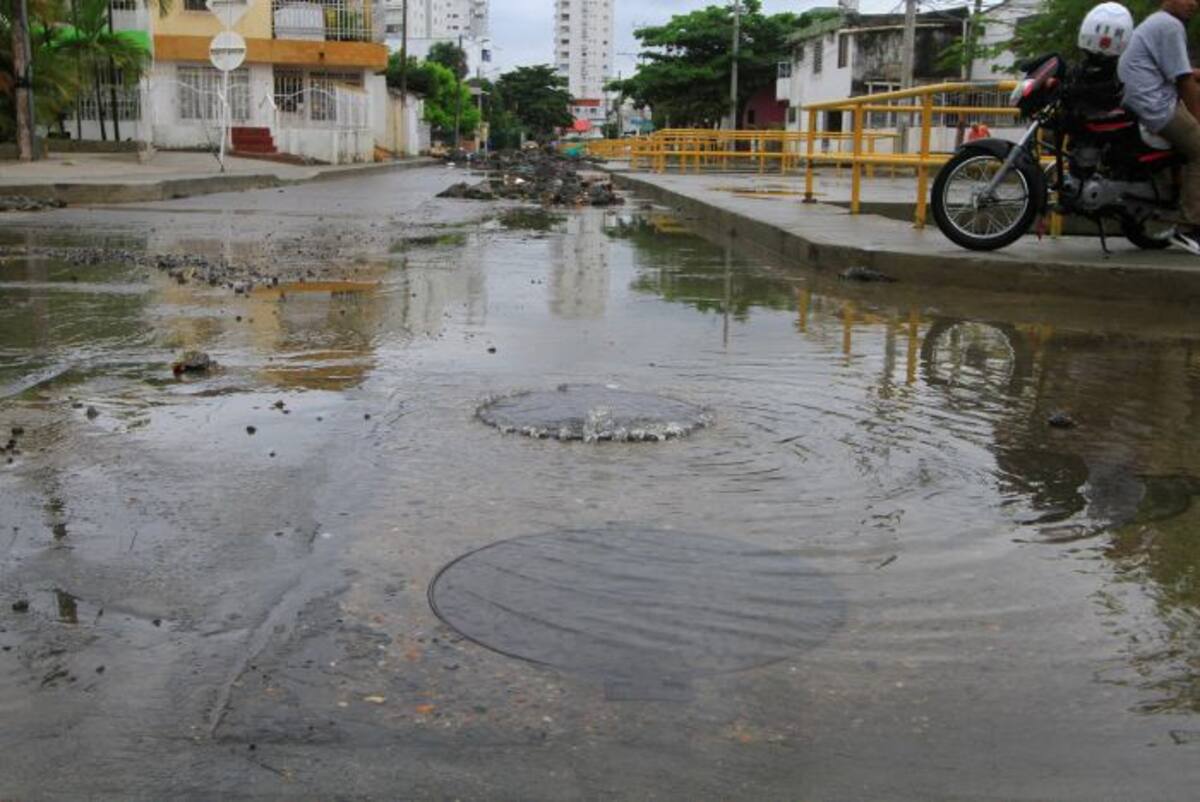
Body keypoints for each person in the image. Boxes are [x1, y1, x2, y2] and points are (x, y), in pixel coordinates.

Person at [1118, 0, 1200, 252]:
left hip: (1141, 101)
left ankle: (1173, 201)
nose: (1193, 4)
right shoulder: (1170, 25)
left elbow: (1181, 72)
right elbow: (1184, 82)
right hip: (1155, 107)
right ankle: (1190, 227)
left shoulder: (1156, 22)